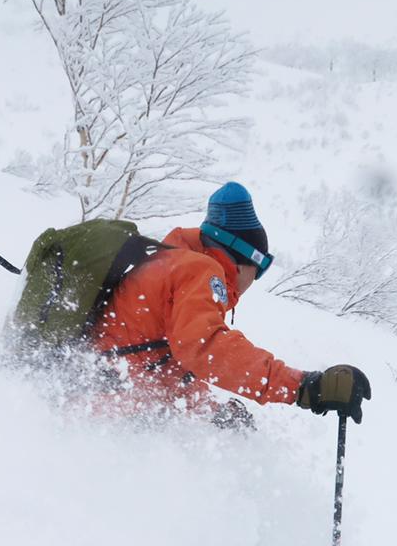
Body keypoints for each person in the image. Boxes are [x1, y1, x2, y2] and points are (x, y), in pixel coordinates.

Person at [91, 182, 372, 428]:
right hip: (113, 416)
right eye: (259, 268)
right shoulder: (200, 271)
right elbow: (205, 347)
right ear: (243, 260)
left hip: (99, 399)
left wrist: (211, 413)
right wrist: (303, 386)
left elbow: (166, 367)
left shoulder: (169, 263)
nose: (254, 280)